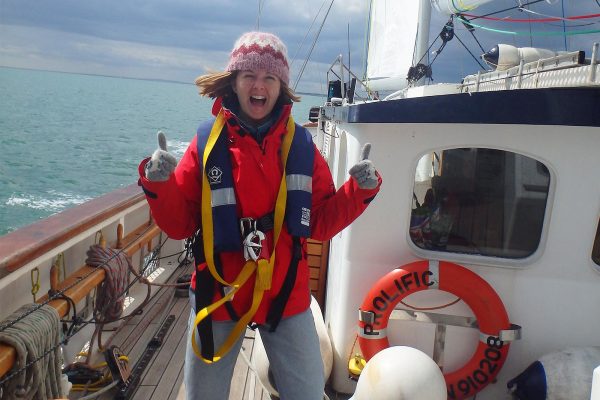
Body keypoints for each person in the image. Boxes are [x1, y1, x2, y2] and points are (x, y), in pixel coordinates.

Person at [137, 31, 382, 400]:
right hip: (219, 292)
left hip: (284, 292)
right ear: (234, 82)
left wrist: (359, 190)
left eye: (269, 77)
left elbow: (320, 222)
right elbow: (180, 224)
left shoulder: (301, 145)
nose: (258, 85)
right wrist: (160, 184)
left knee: (308, 393)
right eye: (249, 75)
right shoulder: (205, 143)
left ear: (281, 86)